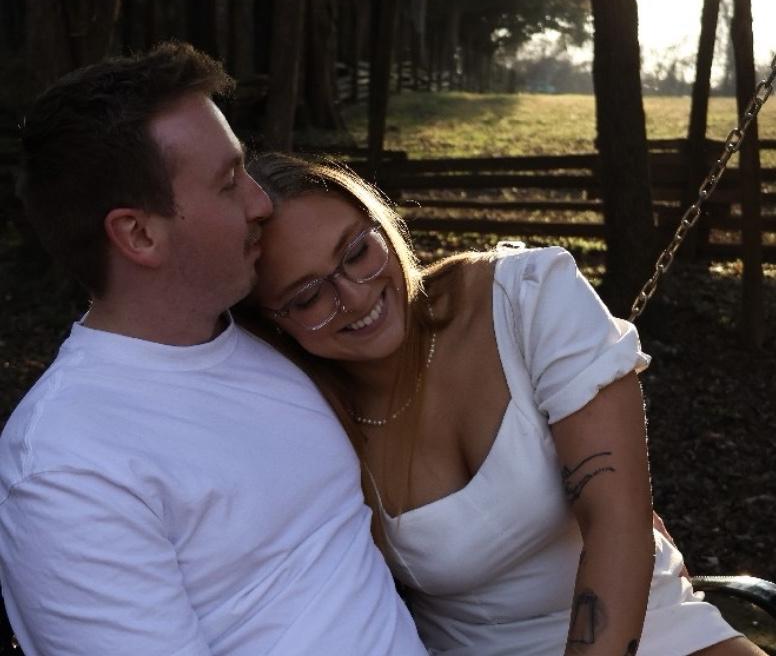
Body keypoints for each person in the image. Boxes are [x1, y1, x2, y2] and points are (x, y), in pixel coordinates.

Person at [238, 151, 767, 656]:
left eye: (357, 252)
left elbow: (617, 520)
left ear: (381, 223)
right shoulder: (304, 415)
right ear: (272, 323)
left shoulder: (528, 297)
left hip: (656, 626)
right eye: (308, 296)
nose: (354, 296)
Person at [0, 44, 426, 655]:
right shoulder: (69, 466)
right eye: (228, 183)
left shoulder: (274, 332)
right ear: (139, 234)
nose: (260, 202)